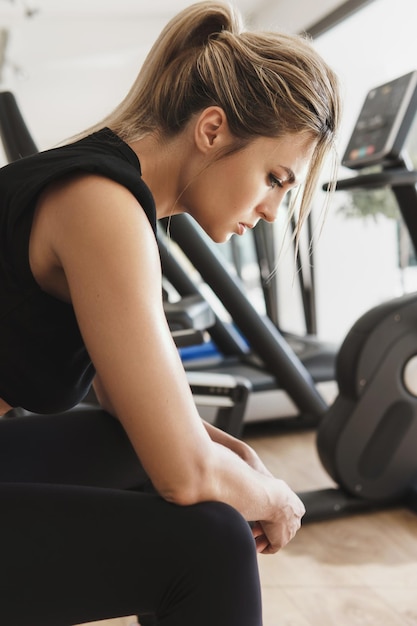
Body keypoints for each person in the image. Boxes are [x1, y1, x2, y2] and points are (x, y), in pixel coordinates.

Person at [0, 2, 341, 625]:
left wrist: (232, 460)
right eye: (274, 177)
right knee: (209, 547)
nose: (271, 209)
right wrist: (276, 498)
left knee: (135, 452)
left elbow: (132, 409)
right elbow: (184, 475)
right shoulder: (101, 205)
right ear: (212, 130)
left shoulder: (105, 189)